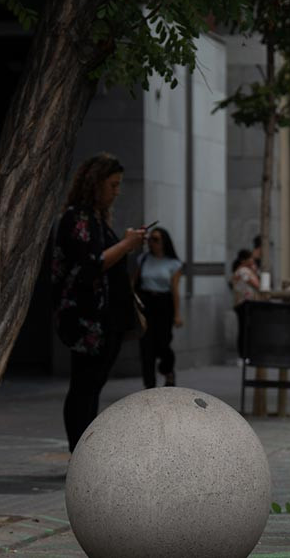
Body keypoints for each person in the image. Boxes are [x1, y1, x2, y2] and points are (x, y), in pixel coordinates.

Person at [51, 153, 147, 452]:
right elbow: (90, 265)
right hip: (87, 320)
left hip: (105, 319)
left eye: (119, 185)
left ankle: (84, 452)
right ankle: (79, 451)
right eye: (112, 185)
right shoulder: (77, 218)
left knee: (93, 385)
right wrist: (126, 245)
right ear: (95, 184)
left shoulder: (95, 219)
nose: (116, 192)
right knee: (84, 385)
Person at [132, 227, 183, 388]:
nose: (152, 243)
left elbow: (175, 290)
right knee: (146, 347)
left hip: (164, 304)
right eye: (150, 239)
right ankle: (149, 386)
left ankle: (167, 369)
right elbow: (134, 282)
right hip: (146, 303)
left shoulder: (173, 263)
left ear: (164, 242)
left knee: (163, 344)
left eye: (156, 239)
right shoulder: (143, 259)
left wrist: (177, 314)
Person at [231, 248, 261, 357]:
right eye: (250, 258)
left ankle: (246, 353)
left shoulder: (244, 270)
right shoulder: (243, 271)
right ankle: (244, 354)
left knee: (246, 329)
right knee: (245, 329)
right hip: (244, 302)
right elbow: (255, 284)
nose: (252, 260)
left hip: (244, 302)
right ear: (243, 260)